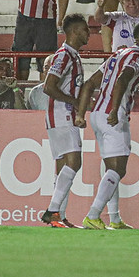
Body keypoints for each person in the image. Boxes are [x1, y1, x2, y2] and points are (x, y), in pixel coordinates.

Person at [75, 22, 139, 229]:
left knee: (110, 168)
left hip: (96, 114)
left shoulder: (117, 55)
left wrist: (80, 114)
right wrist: (114, 110)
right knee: (118, 169)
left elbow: (89, 84)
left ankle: (114, 218)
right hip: (112, 115)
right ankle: (93, 215)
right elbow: (123, 80)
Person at [39, 14, 89, 228]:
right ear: (76, 31)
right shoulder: (64, 55)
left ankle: (59, 215)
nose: (89, 33)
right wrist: (75, 102)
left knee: (62, 168)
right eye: (86, 29)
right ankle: (52, 211)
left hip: (59, 115)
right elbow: (48, 86)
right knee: (74, 163)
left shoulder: (73, 55)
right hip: (62, 114)